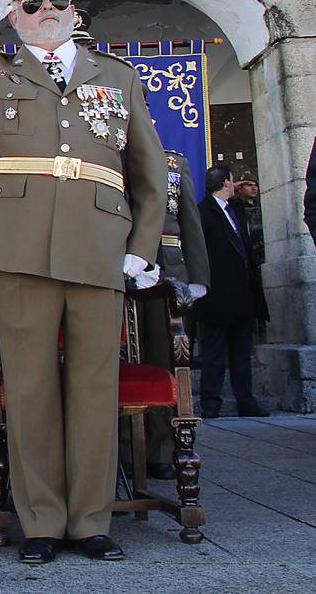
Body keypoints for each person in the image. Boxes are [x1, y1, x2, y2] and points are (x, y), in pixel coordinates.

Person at [0, 0, 167, 565]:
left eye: (56, 2)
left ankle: (92, 520)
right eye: (30, 4)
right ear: (14, 18)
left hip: (100, 242)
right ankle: (43, 522)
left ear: (75, 13)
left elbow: (151, 175)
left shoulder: (117, 76)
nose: (44, 11)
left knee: (94, 387)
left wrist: (142, 249)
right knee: (28, 389)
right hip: (19, 244)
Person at [133, 150, 208, 478]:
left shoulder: (173, 163)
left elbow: (189, 220)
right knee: (125, 360)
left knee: (166, 359)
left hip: (168, 270)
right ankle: (125, 449)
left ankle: (162, 449)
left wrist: (199, 277)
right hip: (118, 265)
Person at [195, 164, 269, 419]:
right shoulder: (203, 212)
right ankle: (210, 403)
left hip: (242, 293)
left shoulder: (236, 209)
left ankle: (246, 400)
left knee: (241, 353)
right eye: (232, 181)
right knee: (214, 353)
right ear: (226, 182)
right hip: (217, 294)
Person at [231, 170, 264, 267]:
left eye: (256, 185)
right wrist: (238, 184)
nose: (254, 188)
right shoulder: (235, 206)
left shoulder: (262, 205)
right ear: (240, 189)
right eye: (249, 185)